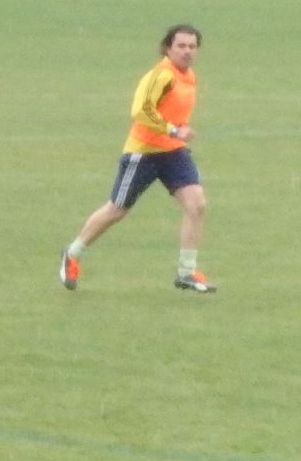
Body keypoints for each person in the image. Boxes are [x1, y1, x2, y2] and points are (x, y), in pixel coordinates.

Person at [58, 24, 217, 293]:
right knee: (116, 210)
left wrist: (177, 131)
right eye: (181, 46)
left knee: (197, 204)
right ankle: (72, 253)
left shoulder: (189, 76)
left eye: (192, 46)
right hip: (143, 153)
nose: (187, 51)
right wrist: (173, 129)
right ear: (168, 48)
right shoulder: (161, 75)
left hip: (173, 152)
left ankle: (187, 272)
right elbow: (141, 110)